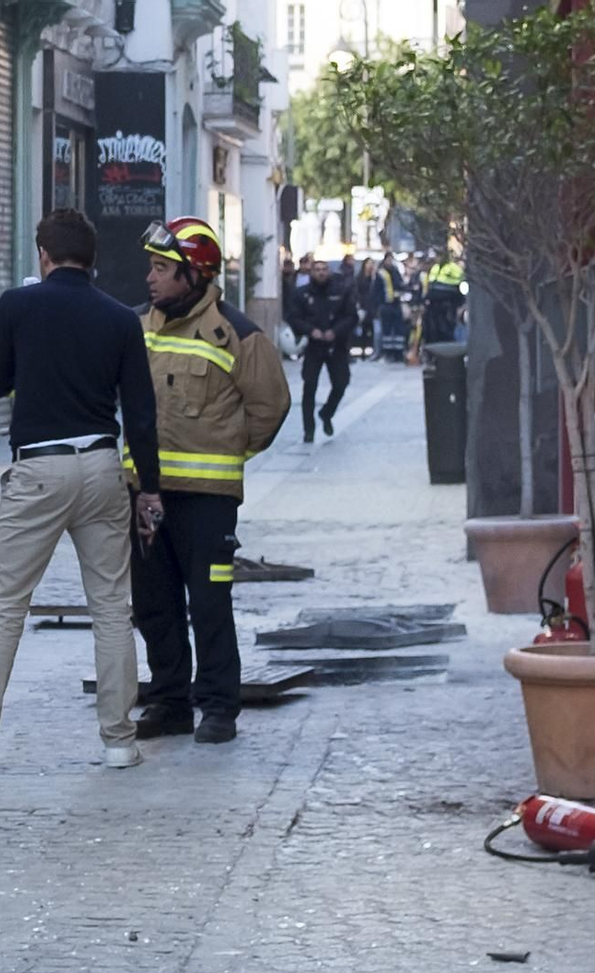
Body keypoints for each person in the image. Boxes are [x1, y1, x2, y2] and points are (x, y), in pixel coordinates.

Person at [0, 208, 161, 772]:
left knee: (4, 607)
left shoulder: (18, 304)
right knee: (112, 606)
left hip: (38, 471)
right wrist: (150, 490)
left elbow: (6, 372)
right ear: (92, 259)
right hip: (101, 465)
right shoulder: (120, 319)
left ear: (43, 254)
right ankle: (119, 741)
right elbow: (140, 413)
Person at [131, 217, 291, 745]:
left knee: (209, 602)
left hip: (208, 500)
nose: (151, 279)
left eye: (162, 269)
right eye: (152, 267)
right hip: (145, 494)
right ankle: (169, 702)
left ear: (194, 275)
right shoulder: (140, 327)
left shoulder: (238, 334)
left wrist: (230, 450)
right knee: (154, 603)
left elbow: (271, 405)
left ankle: (219, 706)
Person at [287, 259, 358, 441]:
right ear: (311, 273)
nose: (321, 273)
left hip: (336, 345)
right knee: (309, 386)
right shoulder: (302, 294)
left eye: (324, 269)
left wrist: (335, 332)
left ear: (329, 271)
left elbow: (351, 316)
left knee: (341, 383)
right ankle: (308, 430)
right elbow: (294, 318)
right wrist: (311, 331)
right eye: (317, 270)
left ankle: (326, 413)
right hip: (314, 346)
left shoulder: (340, 292)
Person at [371, 252, 408, 363]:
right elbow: (376, 291)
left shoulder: (396, 272)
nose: (390, 262)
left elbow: (401, 285)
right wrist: (378, 304)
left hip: (396, 305)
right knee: (387, 330)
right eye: (388, 260)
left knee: (398, 330)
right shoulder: (381, 274)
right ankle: (388, 353)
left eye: (391, 260)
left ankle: (398, 353)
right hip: (385, 305)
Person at [423, 251, 467, 344]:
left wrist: (460, 304)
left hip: (448, 305)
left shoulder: (455, 269)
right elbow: (431, 286)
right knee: (433, 330)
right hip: (434, 306)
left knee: (447, 330)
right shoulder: (435, 268)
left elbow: (460, 288)